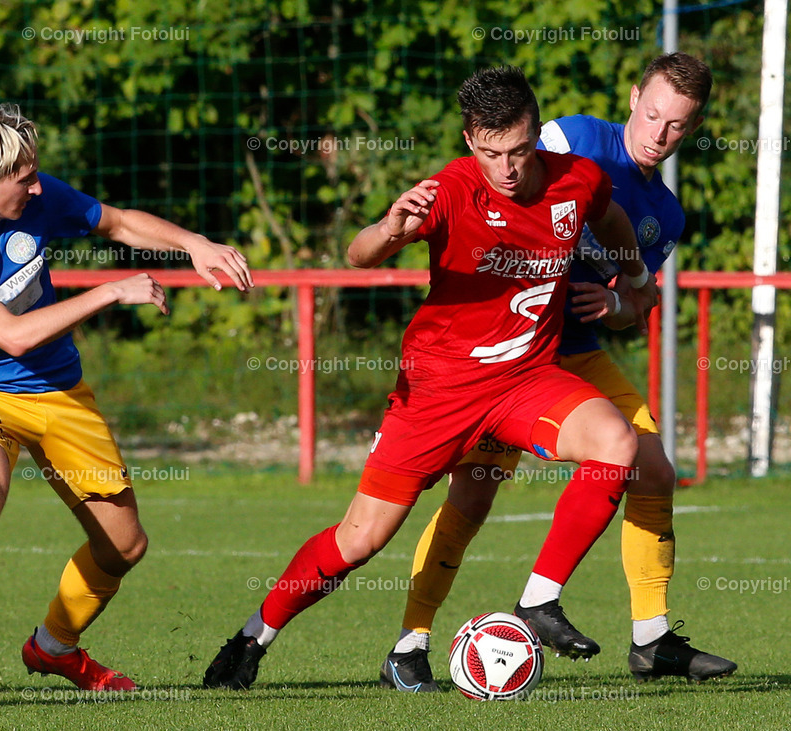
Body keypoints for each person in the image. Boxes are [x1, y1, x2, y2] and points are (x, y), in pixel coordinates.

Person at [203, 66, 659, 690]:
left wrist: (635, 280)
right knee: (360, 539)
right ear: (470, 140)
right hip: (438, 391)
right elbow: (359, 255)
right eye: (491, 153)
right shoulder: (448, 190)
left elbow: (609, 219)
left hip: (527, 380)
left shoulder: (577, 179)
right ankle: (255, 635)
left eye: (518, 150)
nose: (506, 168)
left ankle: (539, 600)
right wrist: (390, 227)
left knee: (618, 443)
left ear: (535, 133)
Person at [380, 52, 736, 693]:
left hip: (575, 353)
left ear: (695, 127)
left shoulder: (666, 214)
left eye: (677, 125)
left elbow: (638, 304)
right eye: (653, 114)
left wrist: (617, 305)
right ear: (634, 98)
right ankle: (410, 644)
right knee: (473, 495)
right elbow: (499, 178)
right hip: (502, 354)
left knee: (653, 468)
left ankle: (651, 638)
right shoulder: (575, 140)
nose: (659, 133)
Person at [0, 102, 253, 696]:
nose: (37, 186)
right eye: (25, 178)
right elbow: (11, 336)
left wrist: (194, 243)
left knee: (124, 545)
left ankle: (54, 647)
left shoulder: (31, 198)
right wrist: (110, 291)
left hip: (58, 388)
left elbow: (118, 223)